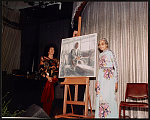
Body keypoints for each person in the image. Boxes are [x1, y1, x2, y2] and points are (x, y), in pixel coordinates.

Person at [95, 38, 118, 118]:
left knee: (109, 97)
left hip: (109, 77)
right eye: (99, 44)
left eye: (102, 44)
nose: (100, 46)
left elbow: (115, 67)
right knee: (101, 97)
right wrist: (97, 81)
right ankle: (101, 116)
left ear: (106, 45)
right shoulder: (100, 55)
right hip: (101, 77)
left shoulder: (110, 53)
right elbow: (100, 69)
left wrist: (116, 81)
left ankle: (111, 116)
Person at [39, 45, 59, 117]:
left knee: (52, 100)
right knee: (44, 98)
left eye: (53, 49)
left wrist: (53, 78)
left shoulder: (56, 60)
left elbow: (57, 71)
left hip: (53, 82)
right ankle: (43, 114)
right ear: (48, 51)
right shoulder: (43, 58)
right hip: (45, 81)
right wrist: (47, 77)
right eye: (51, 49)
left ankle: (49, 115)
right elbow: (41, 69)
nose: (52, 51)